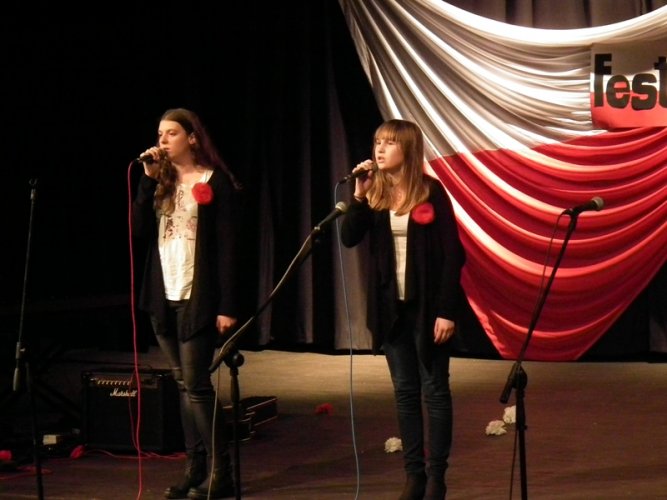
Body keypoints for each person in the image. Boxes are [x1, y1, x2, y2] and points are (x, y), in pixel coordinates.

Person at [341, 119, 466, 500]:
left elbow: (453, 255)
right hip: (390, 310)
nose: (379, 150)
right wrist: (359, 196)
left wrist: (447, 311)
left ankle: (437, 476)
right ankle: (414, 476)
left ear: (408, 149)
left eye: (389, 143)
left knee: (435, 390)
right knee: (405, 392)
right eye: (377, 142)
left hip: (427, 309)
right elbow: (349, 237)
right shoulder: (375, 194)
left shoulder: (431, 191)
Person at [131, 108, 241, 499]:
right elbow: (138, 231)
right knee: (181, 384)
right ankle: (193, 468)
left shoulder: (214, 182)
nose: (162, 140)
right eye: (160, 133)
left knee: (196, 385)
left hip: (199, 294)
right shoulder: (158, 180)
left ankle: (221, 471)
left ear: (192, 138)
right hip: (164, 293)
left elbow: (228, 248)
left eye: (171, 133)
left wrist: (227, 305)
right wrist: (146, 183)